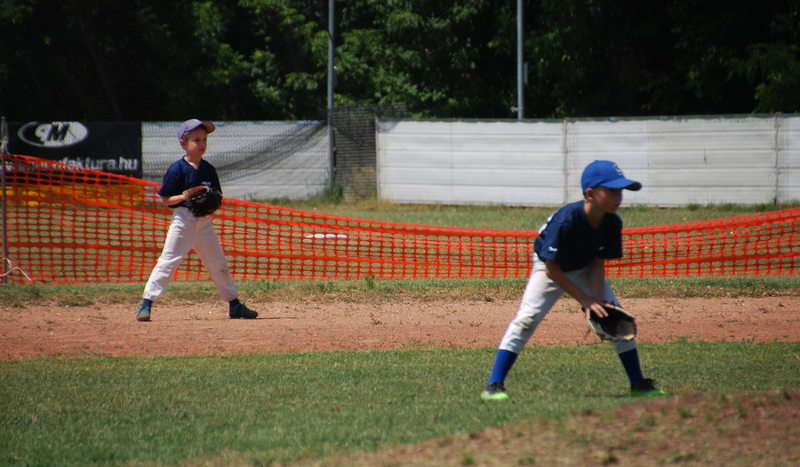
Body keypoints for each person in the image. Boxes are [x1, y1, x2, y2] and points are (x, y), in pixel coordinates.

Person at [481, 160, 664, 400]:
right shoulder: (566, 221)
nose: (618, 196)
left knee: (616, 318)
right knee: (527, 319)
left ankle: (638, 383)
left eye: (620, 190)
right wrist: (585, 300)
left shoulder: (612, 221)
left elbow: (598, 263)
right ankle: (494, 385)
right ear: (590, 193)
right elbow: (552, 271)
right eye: (611, 190)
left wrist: (599, 302)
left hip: (585, 267)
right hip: (548, 267)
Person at [135, 119, 257, 322]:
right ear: (183, 143)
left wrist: (212, 203)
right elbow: (165, 200)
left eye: (204, 139)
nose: (201, 144)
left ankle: (234, 305)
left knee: (219, 263)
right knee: (167, 262)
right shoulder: (178, 169)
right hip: (182, 222)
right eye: (196, 140)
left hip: (204, 223)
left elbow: (218, 197)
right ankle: (146, 304)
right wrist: (185, 196)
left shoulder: (208, 169)